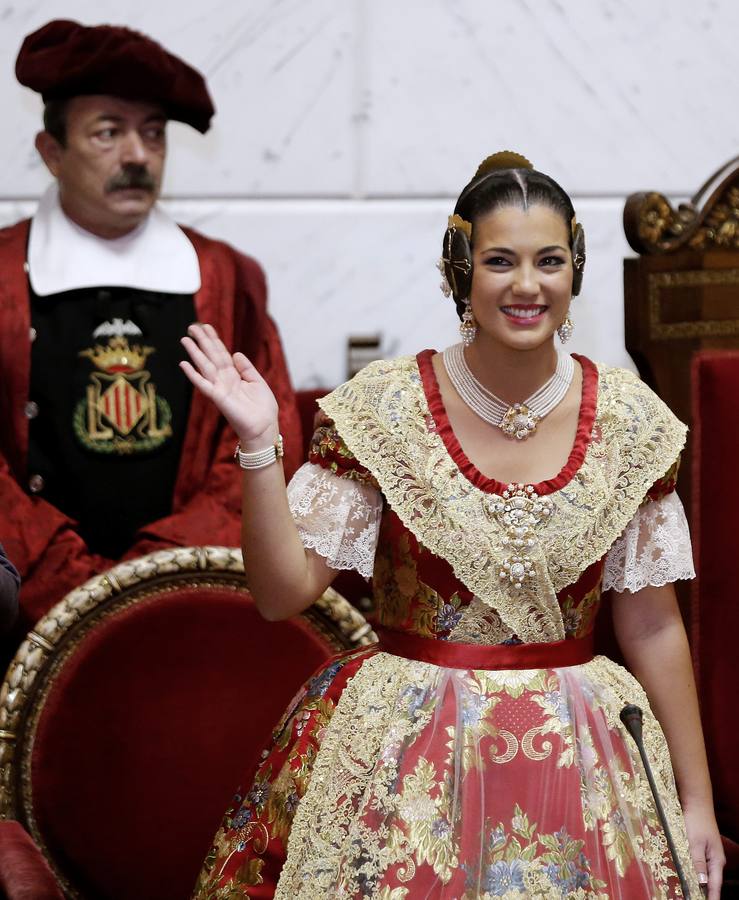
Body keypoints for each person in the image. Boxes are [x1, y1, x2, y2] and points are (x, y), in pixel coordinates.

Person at [181, 152, 723, 898]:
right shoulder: (385, 410)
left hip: (583, 757)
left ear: (576, 272)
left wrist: (695, 803)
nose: (527, 285)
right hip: (407, 757)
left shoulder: (630, 422)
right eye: (500, 261)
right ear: (459, 272)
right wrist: (256, 446)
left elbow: (653, 627)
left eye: (549, 261)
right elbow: (282, 595)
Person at [0, 20, 301, 642]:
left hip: (178, 609)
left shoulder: (225, 277)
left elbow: (269, 439)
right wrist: (64, 579)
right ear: (51, 151)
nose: (137, 156)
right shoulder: (1, 275)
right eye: (108, 132)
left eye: (153, 134)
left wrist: (153, 575)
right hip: (25, 612)